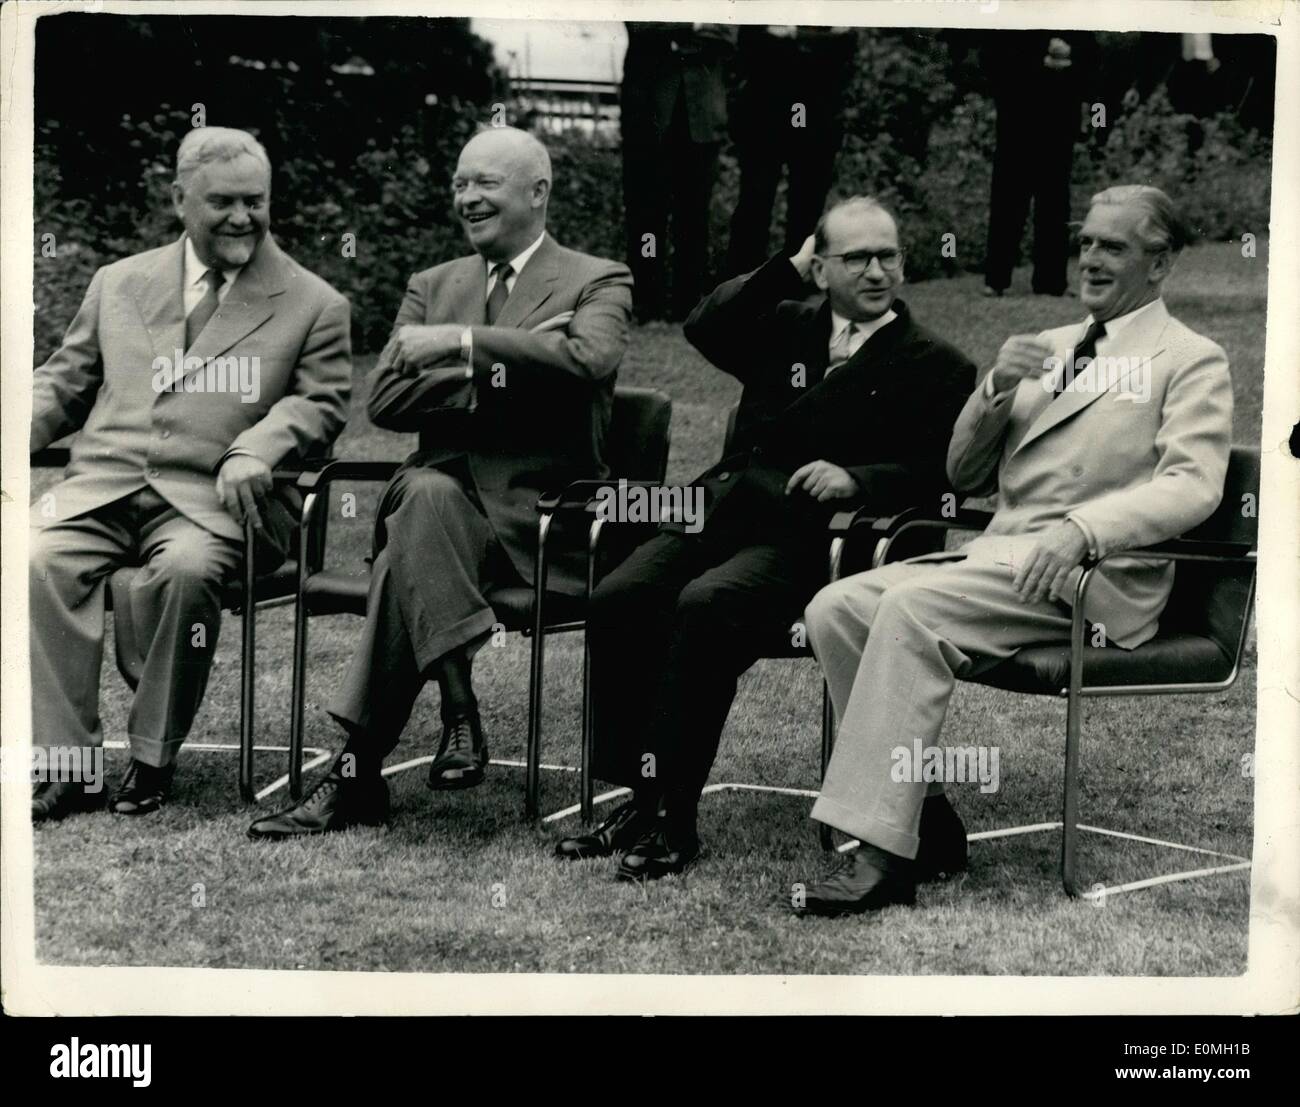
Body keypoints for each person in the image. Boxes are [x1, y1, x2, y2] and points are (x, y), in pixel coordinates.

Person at [796, 185, 1233, 915]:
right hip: (1004, 560)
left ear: (1160, 265)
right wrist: (997, 387)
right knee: (836, 606)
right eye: (1086, 241)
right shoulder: (1050, 346)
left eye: (1113, 247)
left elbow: (1194, 486)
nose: (1090, 258)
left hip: (1094, 579)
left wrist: (1085, 529)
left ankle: (881, 855)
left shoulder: (1189, 358)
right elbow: (963, 474)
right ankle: (926, 816)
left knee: (906, 608)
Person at [553, 196, 976, 881]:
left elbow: (944, 470)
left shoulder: (937, 363)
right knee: (621, 596)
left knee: (706, 605)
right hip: (719, 512)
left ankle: (674, 817)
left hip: (814, 540)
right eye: (856, 257)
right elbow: (704, 325)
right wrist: (785, 270)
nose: (876, 271)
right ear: (823, 266)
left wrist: (859, 477)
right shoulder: (784, 323)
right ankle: (642, 790)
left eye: (888, 255)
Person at [248, 127, 633, 839]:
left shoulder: (598, 277)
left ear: (537, 191)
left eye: (484, 182)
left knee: (407, 546)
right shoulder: (434, 284)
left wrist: (459, 348)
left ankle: (360, 771)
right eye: (460, 183)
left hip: (538, 518)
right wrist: (505, 371)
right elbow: (386, 402)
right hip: (441, 497)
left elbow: (589, 357)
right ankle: (457, 706)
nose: (467, 196)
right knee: (426, 497)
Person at [29, 127, 352, 821]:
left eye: (256, 201)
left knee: (185, 570)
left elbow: (320, 404)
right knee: (34, 554)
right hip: (104, 487)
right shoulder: (118, 282)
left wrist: (257, 446)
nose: (243, 217)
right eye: (223, 202)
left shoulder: (313, 302)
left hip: (212, 503)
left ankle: (151, 758)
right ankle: (69, 764)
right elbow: (61, 384)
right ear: (180, 200)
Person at [620, 22, 736, 322]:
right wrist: (694, 27)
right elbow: (640, 24)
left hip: (701, 117)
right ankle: (646, 300)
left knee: (694, 217)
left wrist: (673, 38)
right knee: (646, 215)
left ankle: (687, 304)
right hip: (649, 115)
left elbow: (727, 34)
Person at [724, 25, 856, 276]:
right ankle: (745, 282)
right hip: (764, 111)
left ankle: (796, 278)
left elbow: (845, 42)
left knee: (807, 205)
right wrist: (813, 40)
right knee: (755, 202)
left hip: (817, 113)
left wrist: (790, 36)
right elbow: (751, 43)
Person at [982, 31, 1095, 298]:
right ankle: (996, 278)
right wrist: (1041, 61)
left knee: (1055, 203)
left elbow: (1091, 59)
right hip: (1017, 120)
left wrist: (1070, 61)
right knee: (1008, 199)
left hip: (1059, 122)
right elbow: (993, 61)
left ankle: (1051, 281)